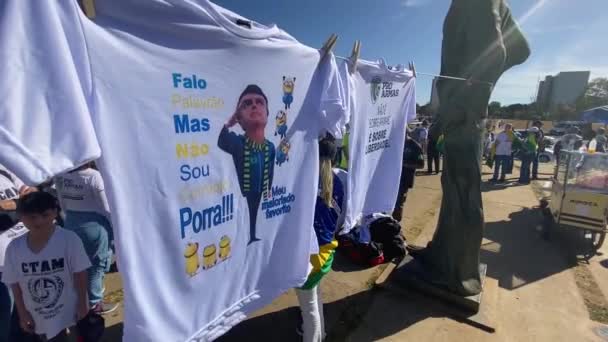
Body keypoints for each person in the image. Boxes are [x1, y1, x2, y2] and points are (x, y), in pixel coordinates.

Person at [2, 192, 91, 342]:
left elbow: (80, 274)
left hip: (70, 310)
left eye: (45, 215)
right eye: (32, 217)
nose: (39, 221)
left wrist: (82, 304)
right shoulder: (14, 248)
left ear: (55, 212)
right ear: (21, 217)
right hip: (38, 314)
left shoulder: (69, 239)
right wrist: (22, 313)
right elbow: (14, 283)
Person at [296, 137, 345, 342]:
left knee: (309, 308)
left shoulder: (306, 181)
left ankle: (313, 336)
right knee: (315, 298)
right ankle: (320, 334)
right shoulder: (341, 181)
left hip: (309, 255)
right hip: (327, 250)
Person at [54, 162, 117, 314]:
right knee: (97, 265)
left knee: (78, 264)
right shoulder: (93, 176)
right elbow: (105, 207)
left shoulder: (60, 174)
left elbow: (62, 203)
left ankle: (83, 298)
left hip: (71, 223)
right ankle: (95, 303)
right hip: (94, 226)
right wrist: (115, 225)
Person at [218, 85, 275, 245]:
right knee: (248, 213)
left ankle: (254, 235)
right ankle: (249, 236)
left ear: (267, 114)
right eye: (247, 103)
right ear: (240, 119)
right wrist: (229, 123)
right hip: (244, 193)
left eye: (259, 102)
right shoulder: (238, 143)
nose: (254, 105)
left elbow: (270, 171)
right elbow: (221, 140)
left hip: (262, 191)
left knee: (258, 214)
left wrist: (269, 189)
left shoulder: (270, 147)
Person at [0, 165, 36, 342]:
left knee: (33, 308)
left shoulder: (5, 167)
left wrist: (13, 205)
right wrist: (21, 202)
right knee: (9, 317)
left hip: (29, 250)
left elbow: (33, 193)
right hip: (3, 263)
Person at [393, 130, 424, 222]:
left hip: (405, 179)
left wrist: (404, 164)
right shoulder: (394, 143)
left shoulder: (415, 146)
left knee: (398, 204)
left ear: (406, 132)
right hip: (392, 179)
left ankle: (396, 225)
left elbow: (421, 165)